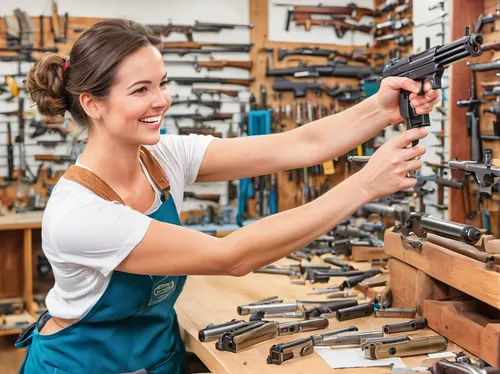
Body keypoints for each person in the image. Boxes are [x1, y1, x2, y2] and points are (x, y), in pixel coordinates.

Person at [17, 18, 438, 374]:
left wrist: (386, 108)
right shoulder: (80, 214)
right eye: (140, 89)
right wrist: (364, 184)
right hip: (82, 365)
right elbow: (231, 256)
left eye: (162, 84)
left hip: (157, 357)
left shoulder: (161, 156)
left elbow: (301, 145)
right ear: (92, 104)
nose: (161, 100)